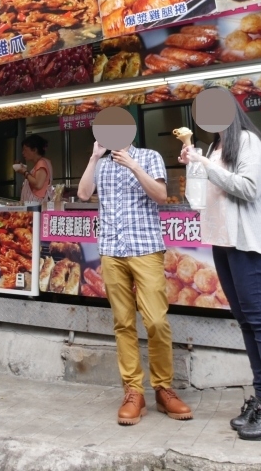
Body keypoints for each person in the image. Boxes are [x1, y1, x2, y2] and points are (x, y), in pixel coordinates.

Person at [180, 102, 261, 441]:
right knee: (246, 321)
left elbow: (248, 188)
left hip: (249, 243)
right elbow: (197, 200)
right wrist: (194, 166)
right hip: (224, 242)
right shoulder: (215, 147)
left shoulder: (247, 140)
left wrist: (204, 163)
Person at [77, 108, 192, 426]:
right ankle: (133, 391)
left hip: (145, 249)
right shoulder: (100, 165)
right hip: (111, 252)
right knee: (123, 323)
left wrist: (133, 165)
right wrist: (93, 157)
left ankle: (164, 388)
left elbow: (160, 194)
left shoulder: (149, 156)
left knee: (156, 321)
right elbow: (84, 193)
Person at [15, 134, 53, 203]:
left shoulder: (41, 163)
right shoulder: (42, 162)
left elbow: (38, 185)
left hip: (36, 204)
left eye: (25, 150)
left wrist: (25, 172)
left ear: (34, 150)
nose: (23, 153)